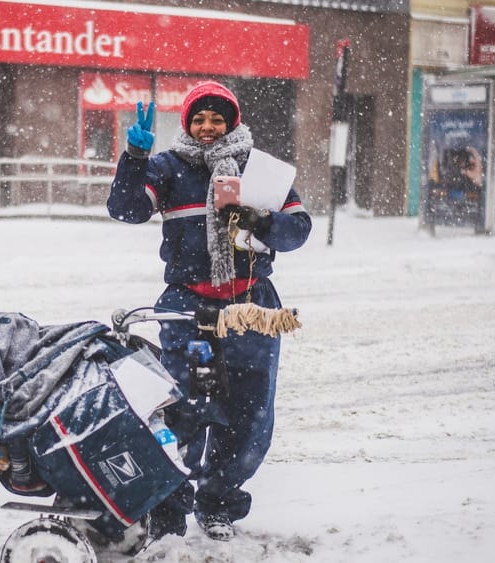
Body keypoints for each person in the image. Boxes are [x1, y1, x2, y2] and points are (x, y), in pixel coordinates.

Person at [107, 81, 312, 541]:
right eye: (198, 118)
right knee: (183, 409)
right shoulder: (167, 168)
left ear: (232, 122)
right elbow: (125, 209)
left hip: (252, 306)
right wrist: (135, 159)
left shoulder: (262, 171)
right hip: (188, 305)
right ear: (186, 123)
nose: (207, 127)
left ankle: (217, 502)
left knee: (248, 414)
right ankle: (169, 507)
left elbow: (298, 230)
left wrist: (255, 218)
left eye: (217, 119)